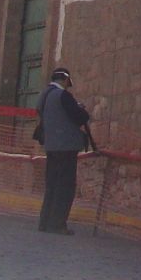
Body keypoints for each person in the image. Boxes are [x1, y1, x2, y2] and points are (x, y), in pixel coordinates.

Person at [36, 67, 95, 234]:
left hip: (51, 146)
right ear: (65, 80)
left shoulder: (44, 95)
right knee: (65, 187)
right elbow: (80, 117)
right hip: (66, 147)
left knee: (51, 185)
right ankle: (57, 224)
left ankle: (45, 222)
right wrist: (80, 108)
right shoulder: (63, 96)